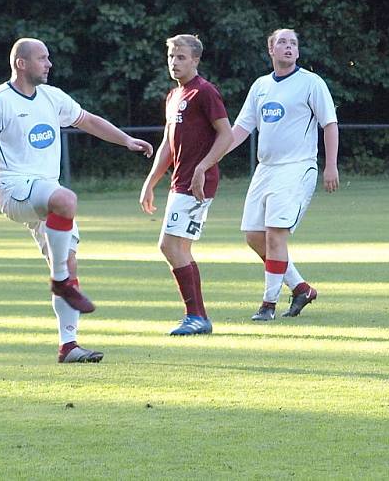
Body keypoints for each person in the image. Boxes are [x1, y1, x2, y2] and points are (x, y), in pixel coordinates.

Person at [0, 37, 153, 362]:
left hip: (44, 192)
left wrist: (125, 141)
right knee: (66, 200)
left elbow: (88, 120)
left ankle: (69, 346)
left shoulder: (52, 97)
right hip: (13, 189)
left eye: (48, 58)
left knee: (68, 259)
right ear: (21, 63)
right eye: (42, 58)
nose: (49, 64)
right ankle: (61, 281)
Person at [227, 28, 339, 321]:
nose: (288, 47)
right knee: (254, 236)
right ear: (271, 51)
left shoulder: (311, 83)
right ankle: (301, 288)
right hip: (266, 169)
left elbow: (329, 123)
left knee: (276, 235)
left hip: (297, 167)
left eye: (293, 43)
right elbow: (240, 128)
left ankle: (268, 305)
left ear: (298, 52)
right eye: (282, 43)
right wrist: (211, 158)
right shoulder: (261, 86)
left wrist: (331, 165)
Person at [139, 34, 233, 335]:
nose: (174, 62)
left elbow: (226, 135)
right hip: (180, 182)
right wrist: (150, 181)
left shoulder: (204, 92)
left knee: (169, 245)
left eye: (181, 57)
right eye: (171, 57)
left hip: (196, 184)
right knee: (180, 248)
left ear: (195, 60)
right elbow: (168, 143)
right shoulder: (174, 95)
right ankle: (197, 317)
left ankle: (197, 316)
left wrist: (203, 167)